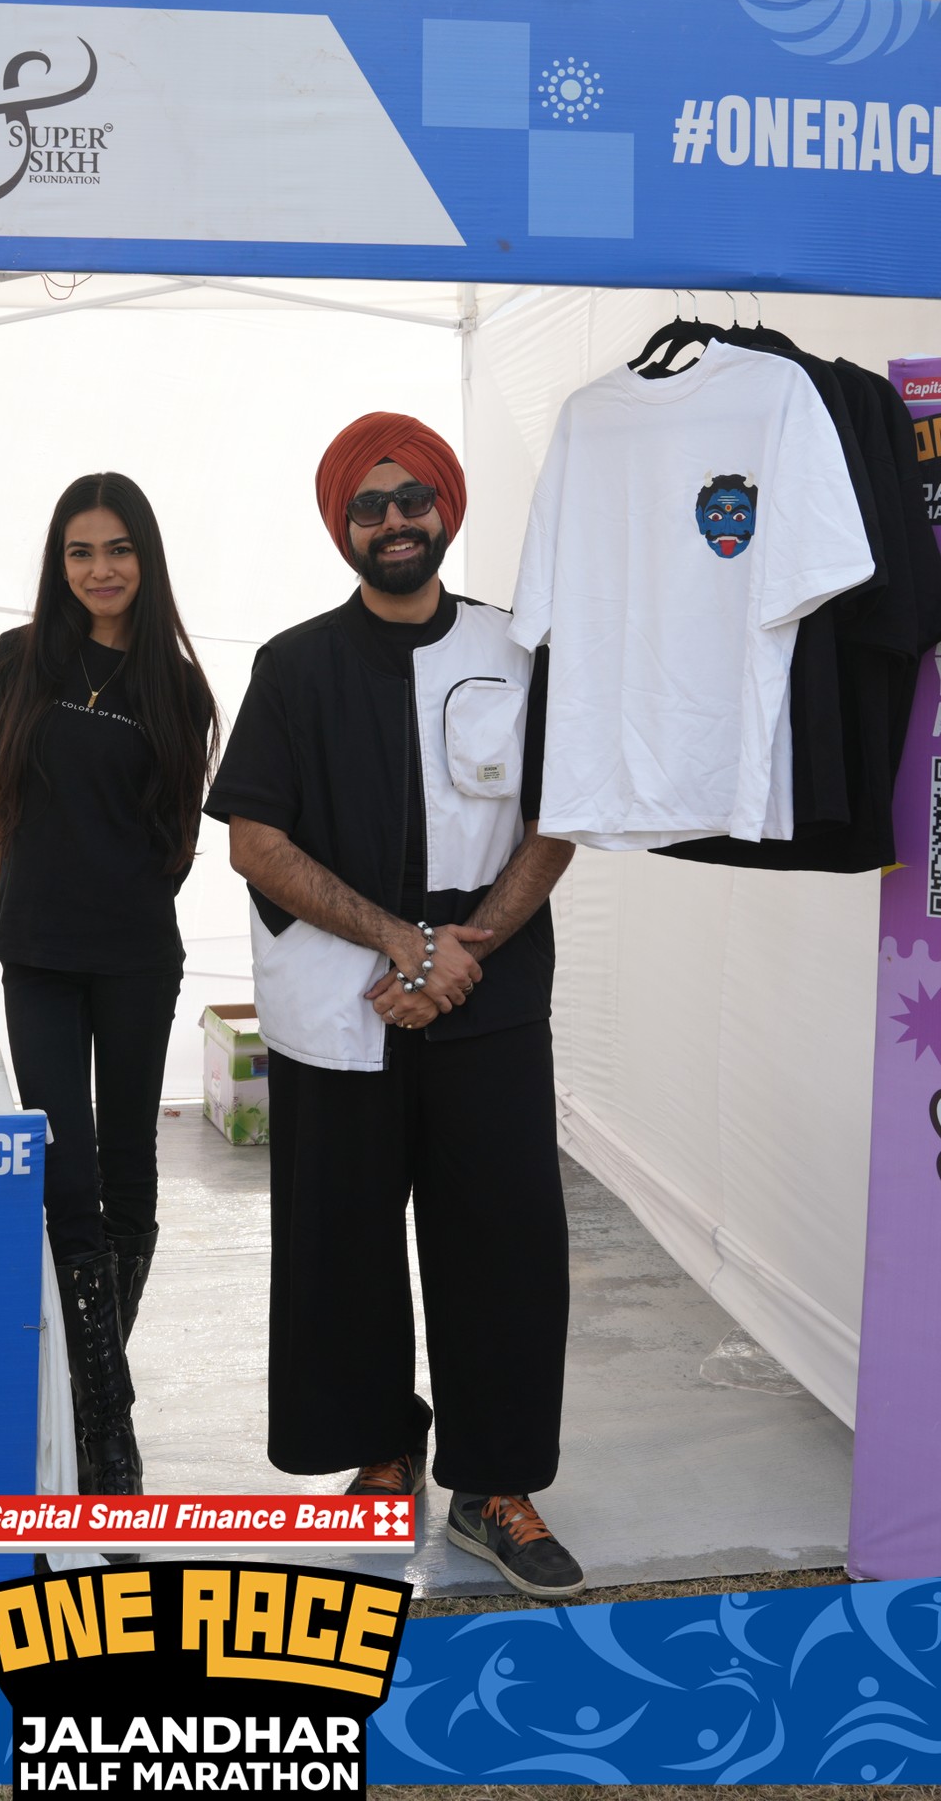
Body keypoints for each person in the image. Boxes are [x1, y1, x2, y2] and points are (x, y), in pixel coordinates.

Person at [206, 411, 585, 1598]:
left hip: (489, 986)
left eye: (410, 497)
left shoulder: (518, 648)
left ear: (445, 508)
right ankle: (382, 1445)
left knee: (503, 1243)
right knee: (345, 1242)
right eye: (367, 505)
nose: (393, 521)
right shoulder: (294, 666)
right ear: (342, 526)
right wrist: (401, 941)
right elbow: (255, 840)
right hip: (339, 994)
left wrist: (462, 951)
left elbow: (558, 816)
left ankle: (494, 1484)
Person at [0, 473, 218, 1499]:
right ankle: (107, 1419)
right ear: (58, 561)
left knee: (131, 1173)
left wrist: (113, 911)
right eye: (81, 550)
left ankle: (90, 1402)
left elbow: (179, 839)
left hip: (135, 957)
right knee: (64, 1173)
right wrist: (27, 915)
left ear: (145, 559)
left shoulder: (178, 688)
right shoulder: (18, 660)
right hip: (38, 957)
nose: (100, 568)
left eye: (118, 549)